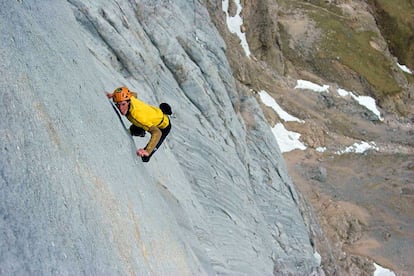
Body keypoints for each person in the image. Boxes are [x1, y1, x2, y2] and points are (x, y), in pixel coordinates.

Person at [106, 86, 171, 162]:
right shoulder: (130, 98)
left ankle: (141, 132)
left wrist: (147, 151)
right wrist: (114, 95)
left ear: (128, 102)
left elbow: (157, 132)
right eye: (118, 104)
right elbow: (134, 94)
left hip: (163, 127)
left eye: (123, 104)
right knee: (134, 129)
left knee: (145, 156)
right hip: (153, 114)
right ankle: (140, 131)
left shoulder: (137, 116)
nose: (120, 108)